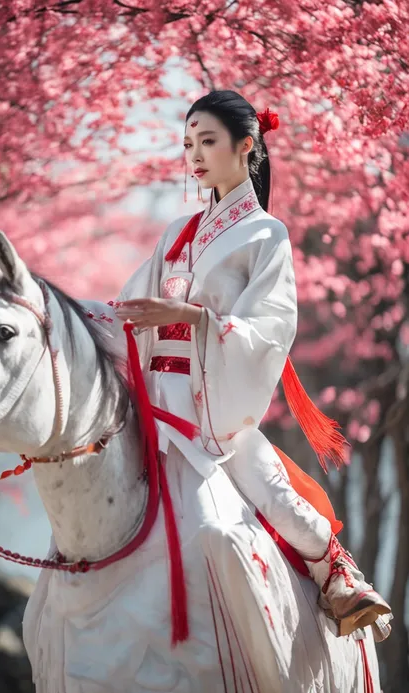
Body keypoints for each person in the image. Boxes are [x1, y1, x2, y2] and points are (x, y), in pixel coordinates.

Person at [114, 90, 391, 641]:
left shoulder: (267, 235)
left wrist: (193, 318)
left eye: (207, 141)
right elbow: (124, 308)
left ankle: (333, 572)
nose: (194, 154)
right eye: (188, 142)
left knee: (266, 490)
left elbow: (267, 331)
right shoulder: (176, 233)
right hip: (153, 398)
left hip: (209, 403)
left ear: (246, 146)